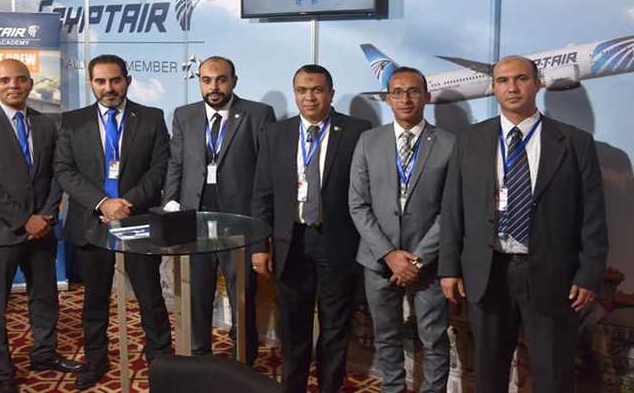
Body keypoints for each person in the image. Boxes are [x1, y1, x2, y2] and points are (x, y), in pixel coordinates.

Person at [438, 56, 608, 393]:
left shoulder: (574, 142)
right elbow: (453, 207)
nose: (512, 88)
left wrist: (589, 273)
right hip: (487, 273)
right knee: (488, 374)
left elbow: (592, 214)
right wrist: (449, 268)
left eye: (521, 79)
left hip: (551, 275)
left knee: (552, 375)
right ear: (493, 88)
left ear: (538, 83)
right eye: (503, 81)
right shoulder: (470, 140)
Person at [0, 59, 81, 393]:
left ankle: (44, 354)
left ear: (30, 84)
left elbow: (57, 173)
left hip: (42, 230)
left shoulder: (45, 123)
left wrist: (46, 215)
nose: (12, 85)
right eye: (4, 80)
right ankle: (2, 372)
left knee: (45, 298)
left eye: (19, 79)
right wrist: (25, 220)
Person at [55, 54, 172, 390]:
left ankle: (161, 361)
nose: (108, 88)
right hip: (91, 221)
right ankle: (96, 360)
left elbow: (159, 168)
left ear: (127, 81)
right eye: (101, 81)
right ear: (90, 83)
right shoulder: (72, 121)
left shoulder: (151, 118)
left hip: (138, 219)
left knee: (150, 296)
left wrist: (126, 203)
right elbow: (64, 170)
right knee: (94, 299)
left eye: (115, 80)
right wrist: (104, 202)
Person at [252, 65, 371, 393]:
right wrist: (259, 246)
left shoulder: (357, 131)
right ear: (295, 94)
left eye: (317, 90)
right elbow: (262, 194)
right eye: (302, 90)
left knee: (335, 328)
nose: (309, 97)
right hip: (291, 241)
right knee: (293, 328)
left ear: (331, 93)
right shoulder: (276, 133)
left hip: (337, 243)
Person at [163, 55, 275, 362]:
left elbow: (266, 174)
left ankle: (243, 360)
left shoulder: (258, 114)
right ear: (199, 81)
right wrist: (171, 207)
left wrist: (263, 229)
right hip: (195, 222)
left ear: (234, 81)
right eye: (207, 80)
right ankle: (200, 358)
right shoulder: (184, 115)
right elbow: (176, 164)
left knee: (243, 298)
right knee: (197, 295)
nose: (214, 87)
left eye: (221, 80)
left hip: (240, 225)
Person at [349, 67, 453, 393]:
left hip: (429, 262)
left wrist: (417, 259)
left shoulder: (450, 144)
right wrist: (389, 255)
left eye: (413, 91)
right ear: (388, 98)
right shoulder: (368, 141)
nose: (405, 99)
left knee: (434, 338)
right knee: (386, 335)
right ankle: (393, 388)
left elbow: (451, 210)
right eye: (397, 92)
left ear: (426, 96)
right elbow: (357, 204)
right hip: (378, 260)